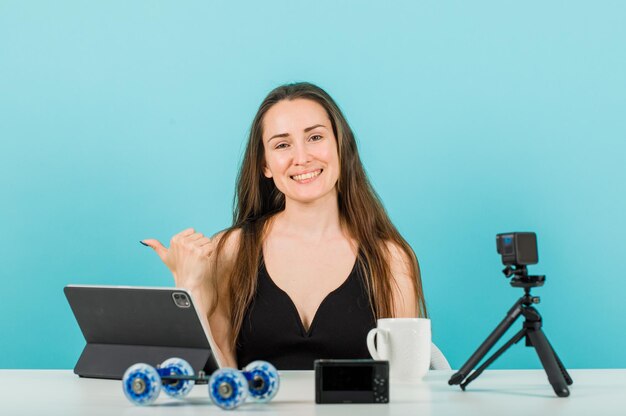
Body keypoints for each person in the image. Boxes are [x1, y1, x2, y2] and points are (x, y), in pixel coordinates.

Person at [141, 82, 427, 370]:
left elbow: (406, 384)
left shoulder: (390, 260)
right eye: (282, 144)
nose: (301, 158)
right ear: (265, 165)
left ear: (341, 146)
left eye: (315, 137)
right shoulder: (232, 250)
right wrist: (188, 289)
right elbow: (221, 375)